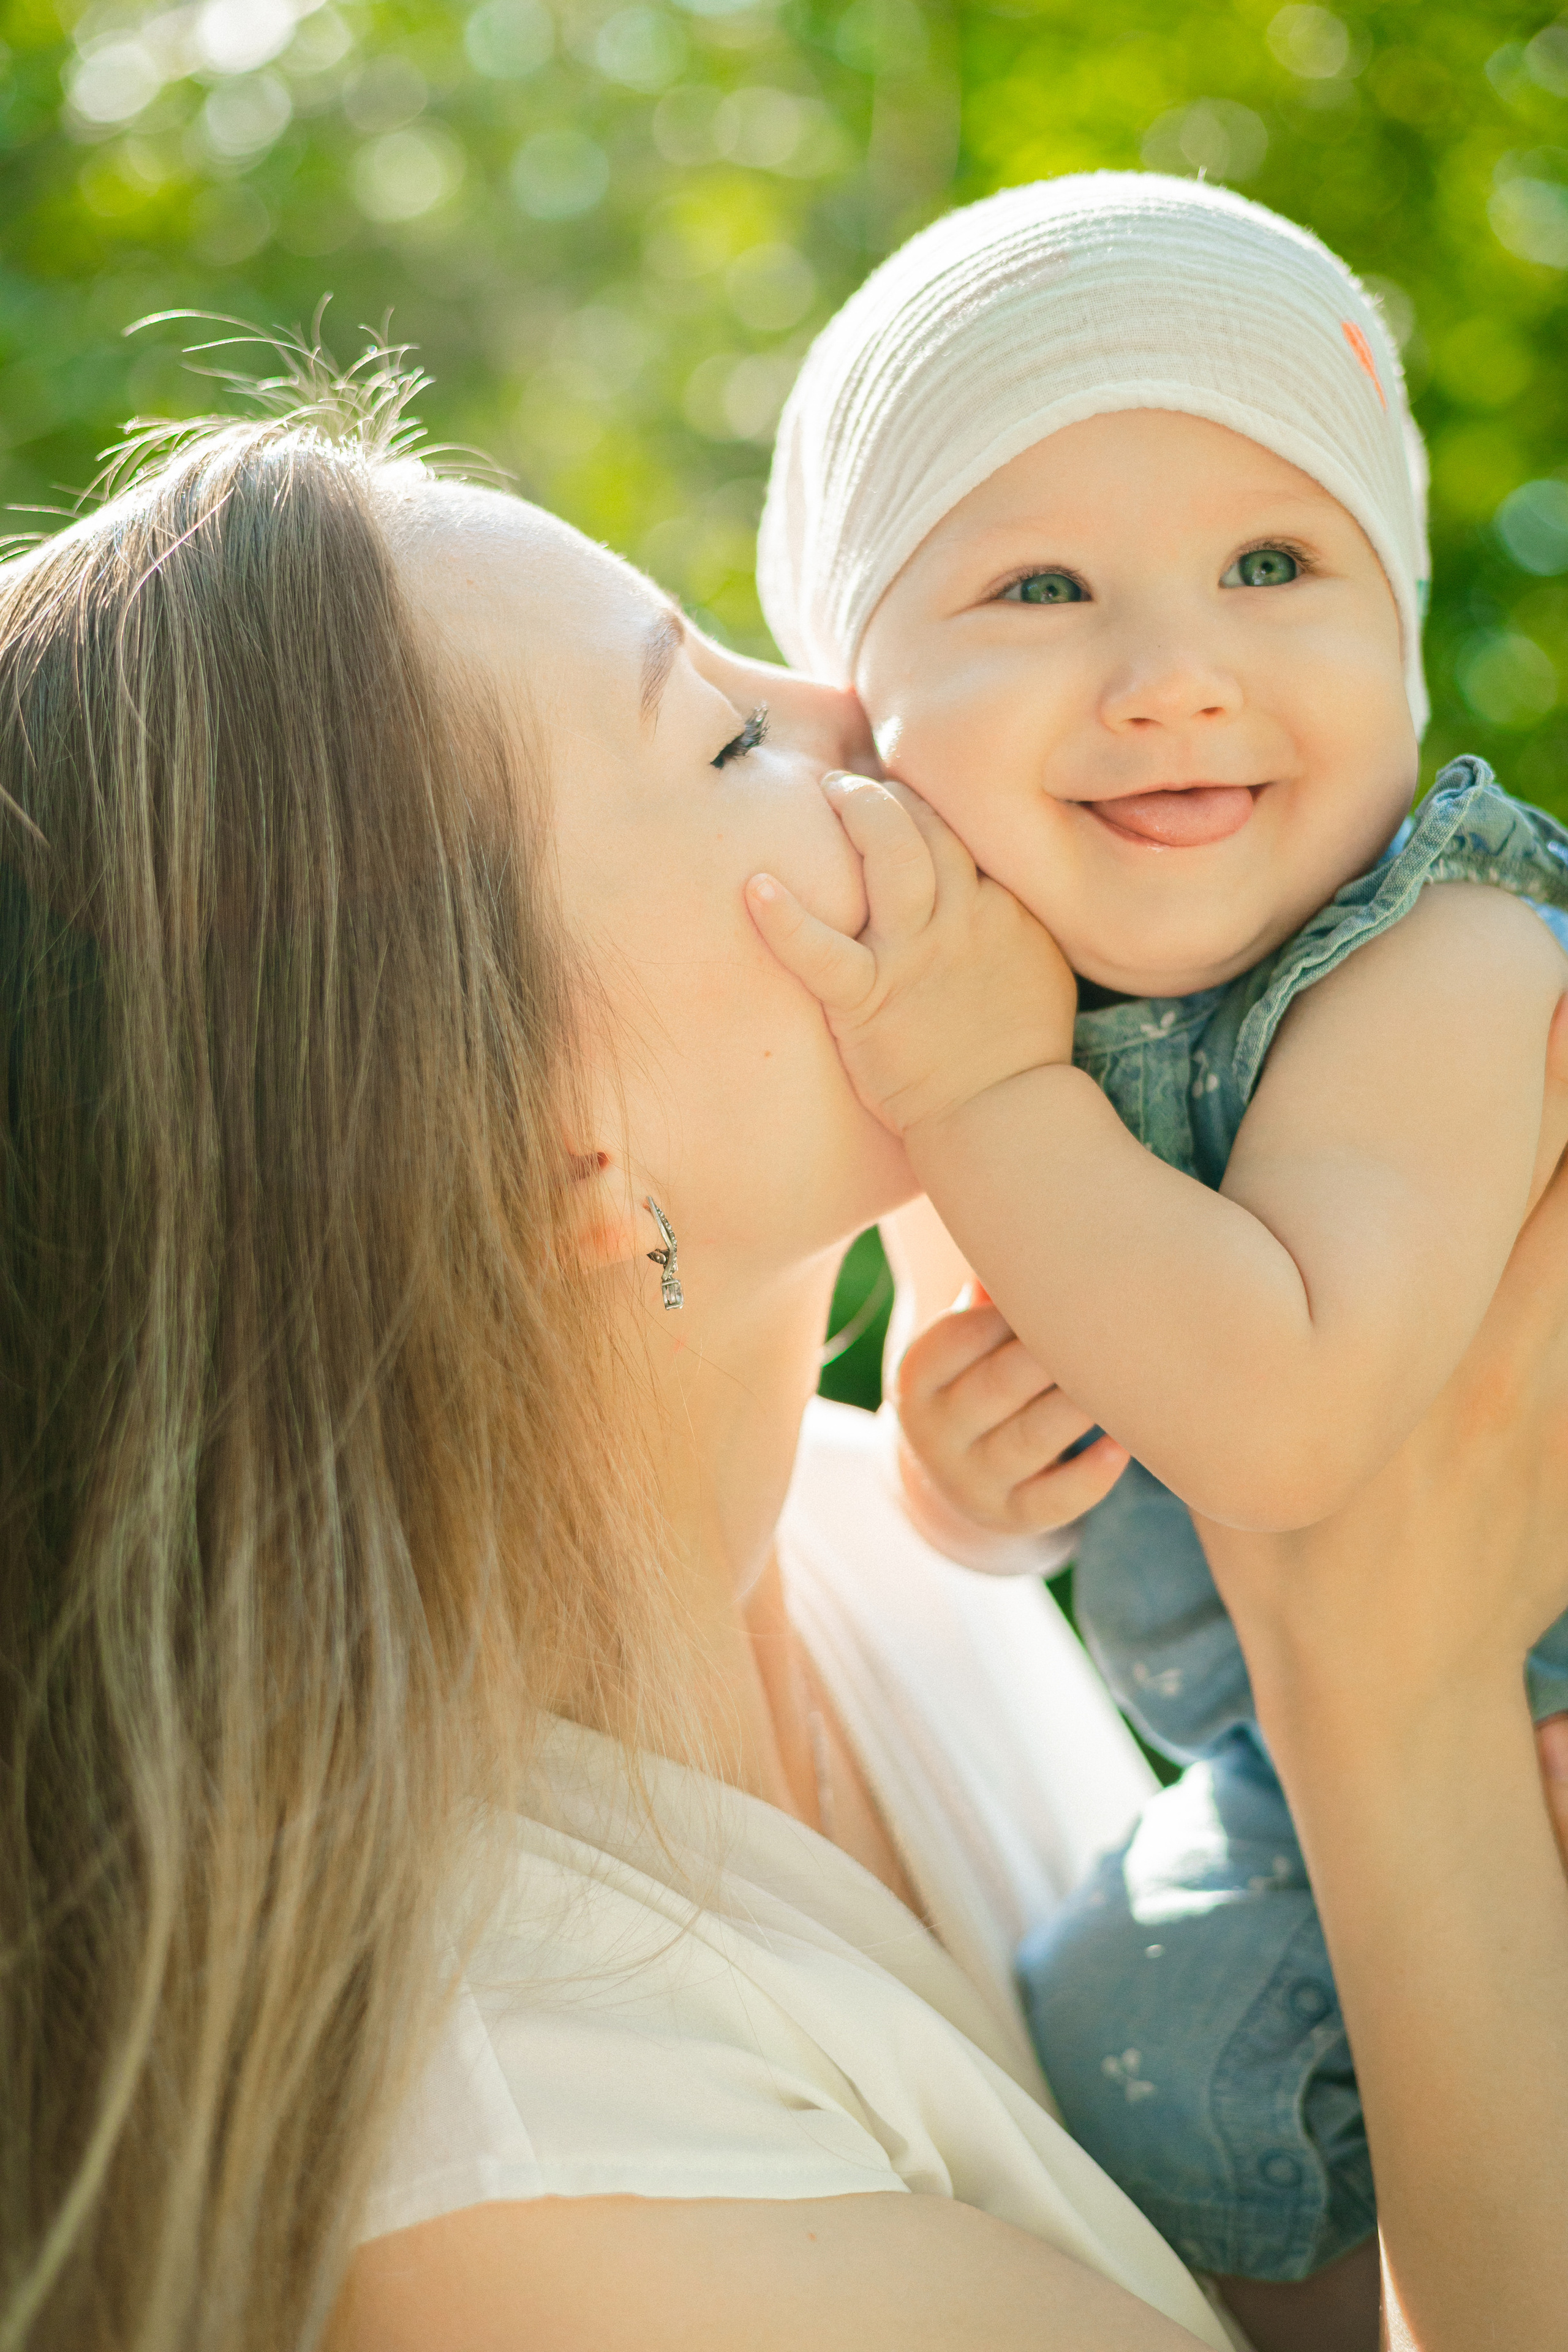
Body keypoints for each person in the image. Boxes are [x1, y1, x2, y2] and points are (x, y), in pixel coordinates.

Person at [1, 353, 1564, 2352]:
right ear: (526, 1138)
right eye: (729, 741)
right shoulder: (551, 2195)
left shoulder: (879, 1535)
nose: (880, 723)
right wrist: (1400, 1713)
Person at [750, 172, 1568, 2337]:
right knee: (1099, 2039)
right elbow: (1000, 1441)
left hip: (1518, 1728)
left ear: (1396, 621)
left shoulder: (1448, 961)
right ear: (860, 698)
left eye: (1273, 565)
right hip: (1290, 1787)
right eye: (1039, 584)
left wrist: (996, 1104)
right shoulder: (980, 1009)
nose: (1175, 675)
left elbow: (1288, 1416)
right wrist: (963, 1477)